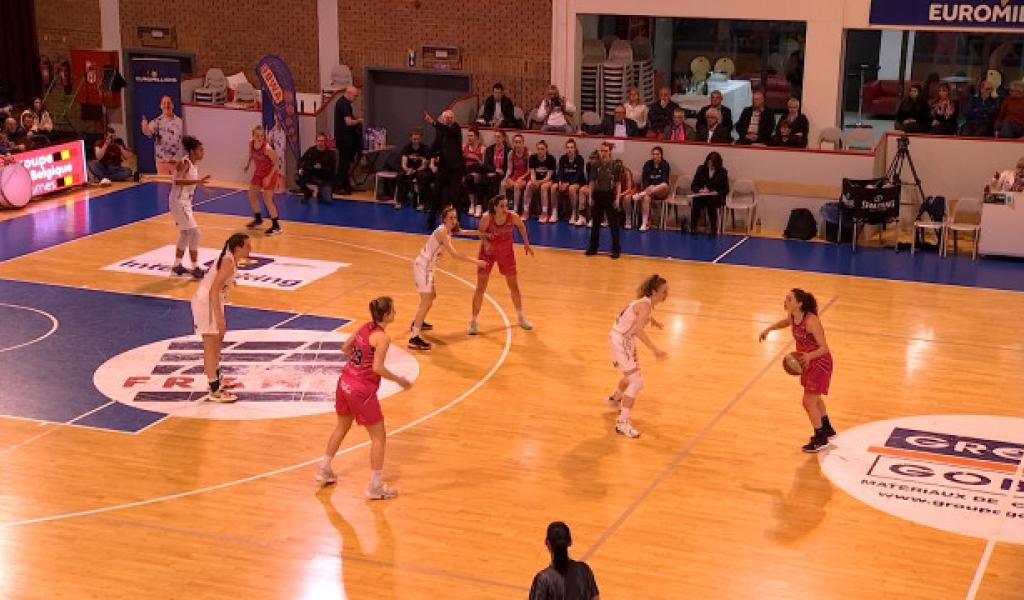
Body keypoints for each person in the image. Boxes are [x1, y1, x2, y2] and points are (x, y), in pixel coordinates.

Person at [316, 296, 413, 500]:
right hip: (361, 390)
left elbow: (345, 348)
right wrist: (399, 380)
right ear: (386, 315)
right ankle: (375, 487)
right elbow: (377, 367)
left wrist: (358, 364)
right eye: (393, 310)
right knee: (379, 437)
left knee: (341, 426)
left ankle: (324, 469)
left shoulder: (364, 327)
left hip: (344, 382)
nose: (395, 313)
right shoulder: (382, 338)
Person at [758, 288, 836, 453]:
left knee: (808, 402)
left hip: (820, 362)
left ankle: (820, 438)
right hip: (807, 362)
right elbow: (786, 322)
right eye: (786, 298)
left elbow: (824, 348)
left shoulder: (811, 321)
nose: (785, 301)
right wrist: (769, 329)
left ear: (799, 304)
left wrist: (808, 356)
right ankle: (827, 428)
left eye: (789, 299)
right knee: (814, 398)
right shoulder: (794, 316)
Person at [408, 206, 487, 350]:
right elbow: (455, 255)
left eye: (455, 217)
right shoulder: (442, 231)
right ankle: (414, 337)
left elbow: (463, 232)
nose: (453, 220)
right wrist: (477, 262)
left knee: (431, 296)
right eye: (450, 218)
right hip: (423, 267)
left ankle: (418, 322)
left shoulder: (448, 230)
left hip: (428, 267)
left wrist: (481, 233)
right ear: (444, 219)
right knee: (426, 301)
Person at [191, 233, 251, 403]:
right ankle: (214, 389)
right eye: (247, 245)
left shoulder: (230, 259)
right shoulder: (228, 262)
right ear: (238, 247)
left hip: (212, 301)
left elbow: (218, 282)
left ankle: (216, 379)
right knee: (211, 345)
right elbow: (213, 290)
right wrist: (219, 318)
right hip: (207, 303)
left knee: (216, 342)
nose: (250, 249)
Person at [606, 274, 669, 438]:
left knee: (631, 376)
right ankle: (622, 423)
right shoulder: (645, 306)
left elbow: (640, 316)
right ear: (654, 292)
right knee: (637, 381)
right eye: (663, 291)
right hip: (620, 341)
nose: (666, 294)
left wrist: (653, 321)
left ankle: (615, 398)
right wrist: (655, 349)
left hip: (623, 340)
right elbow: (638, 330)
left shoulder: (645, 303)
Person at [469, 195, 534, 335]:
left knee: (514, 286)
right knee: (481, 287)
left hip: (506, 253)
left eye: (506, 205)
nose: (505, 209)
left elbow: (522, 227)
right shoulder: (487, 218)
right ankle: (473, 321)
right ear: (495, 207)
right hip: (488, 253)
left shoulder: (513, 216)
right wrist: (486, 243)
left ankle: (521, 317)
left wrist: (526, 243)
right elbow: (480, 232)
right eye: (502, 206)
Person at [169, 135, 211, 278]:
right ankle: (195, 267)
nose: (203, 152)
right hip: (179, 202)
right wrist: (197, 181)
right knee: (195, 233)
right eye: (200, 150)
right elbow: (177, 180)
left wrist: (201, 185)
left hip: (183, 202)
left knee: (186, 233)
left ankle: (177, 265)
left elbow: (190, 181)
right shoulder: (185, 163)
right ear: (192, 151)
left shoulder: (193, 164)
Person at [528, 522, 600, 600]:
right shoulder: (584, 570)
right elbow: (595, 598)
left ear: (547, 543)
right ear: (570, 541)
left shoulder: (543, 580)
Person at [424, 109, 464, 227]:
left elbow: (448, 130)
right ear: (443, 119)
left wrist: (433, 122)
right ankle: (430, 221)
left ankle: (457, 223)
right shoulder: (440, 130)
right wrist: (427, 157)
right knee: (436, 194)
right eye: (446, 118)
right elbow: (436, 144)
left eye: (451, 117)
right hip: (443, 167)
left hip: (456, 168)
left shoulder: (455, 128)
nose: (449, 119)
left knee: (454, 196)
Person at [585, 143, 622, 259]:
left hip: (610, 194)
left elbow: (618, 183)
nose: (603, 153)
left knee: (613, 223)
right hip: (598, 194)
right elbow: (592, 181)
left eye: (605, 151)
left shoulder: (615, 165)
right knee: (595, 223)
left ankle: (616, 250)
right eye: (602, 151)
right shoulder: (595, 165)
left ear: (610, 151)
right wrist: (590, 196)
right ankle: (593, 248)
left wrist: (617, 198)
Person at [243, 126, 282, 235]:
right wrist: (247, 164)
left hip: (270, 174)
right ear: (253, 136)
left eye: (262, 136)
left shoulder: (267, 149)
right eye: (257, 136)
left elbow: (276, 163)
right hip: (259, 173)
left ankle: (276, 226)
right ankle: (258, 219)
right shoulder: (251, 143)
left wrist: (268, 177)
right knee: (252, 195)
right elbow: (251, 153)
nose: (260, 138)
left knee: (267, 199)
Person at [628, 146, 671, 232]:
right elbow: (645, 179)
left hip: (661, 191)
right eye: (653, 154)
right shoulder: (647, 164)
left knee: (664, 185)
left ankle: (641, 194)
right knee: (646, 198)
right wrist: (649, 187)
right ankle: (644, 223)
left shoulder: (665, 165)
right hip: (649, 190)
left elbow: (664, 180)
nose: (655, 156)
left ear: (661, 155)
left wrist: (653, 186)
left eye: (657, 154)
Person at [141, 95, 184, 176]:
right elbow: (147, 132)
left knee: (177, 183)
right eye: (164, 103)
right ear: (161, 106)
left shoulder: (180, 122)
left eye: (169, 103)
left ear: (173, 105)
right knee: (163, 183)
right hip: (162, 162)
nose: (167, 105)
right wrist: (144, 124)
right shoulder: (157, 121)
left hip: (177, 162)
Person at [690, 151, 729, 237]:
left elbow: (726, 189)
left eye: (712, 164)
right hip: (702, 195)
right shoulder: (701, 169)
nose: (710, 166)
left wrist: (716, 192)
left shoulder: (723, 172)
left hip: (716, 197)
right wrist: (700, 190)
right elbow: (693, 185)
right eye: (709, 163)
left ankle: (713, 228)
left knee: (712, 202)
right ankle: (693, 226)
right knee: (696, 201)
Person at [333, 86, 363, 195]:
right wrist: (359, 121)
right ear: (349, 93)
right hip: (344, 139)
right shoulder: (344, 104)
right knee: (343, 164)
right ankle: (339, 186)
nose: (355, 98)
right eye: (355, 96)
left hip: (345, 138)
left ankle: (345, 185)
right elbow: (348, 122)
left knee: (345, 164)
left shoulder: (343, 103)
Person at [397, 128, 433, 210]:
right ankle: (400, 200)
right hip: (409, 169)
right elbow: (403, 163)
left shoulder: (425, 148)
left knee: (422, 176)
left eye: (418, 139)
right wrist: (407, 170)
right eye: (414, 139)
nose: (416, 141)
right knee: (400, 175)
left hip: (420, 170)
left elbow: (425, 165)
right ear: (410, 138)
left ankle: (422, 203)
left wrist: (416, 170)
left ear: (421, 139)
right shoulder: (406, 148)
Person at [296, 132, 336, 204]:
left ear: (325, 142)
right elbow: (301, 160)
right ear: (316, 141)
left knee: (327, 200)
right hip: (312, 175)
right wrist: (300, 168)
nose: (320, 143)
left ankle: (321, 192)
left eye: (322, 141)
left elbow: (332, 170)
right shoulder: (311, 150)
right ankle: (308, 192)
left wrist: (321, 168)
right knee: (297, 178)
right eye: (318, 141)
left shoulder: (330, 154)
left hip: (325, 179)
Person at [556, 139, 587, 226]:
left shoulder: (580, 159)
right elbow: (560, 172)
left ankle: (574, 212)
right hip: (565, 182)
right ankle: (554, 212)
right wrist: (560, 181)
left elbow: (578, 174)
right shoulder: (562, 158)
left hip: (578, 182)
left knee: (571, 189)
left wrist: (568, 183)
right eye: (568, 147)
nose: (569, 149)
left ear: (575, 149)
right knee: (554, 187)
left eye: (571, 147)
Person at [526, 140, 556, 222]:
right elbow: (532, 173)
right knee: (529, 185)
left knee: (543, 187)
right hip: (536, 179)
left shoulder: (551, 159)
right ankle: (526, 210)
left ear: (546, 149)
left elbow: (549, 176)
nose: (540, 151)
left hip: (548, 180)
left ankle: (544, 212)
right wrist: (533, 181)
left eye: (542, 149)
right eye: (538, 149)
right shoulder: (532, 158)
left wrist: (539, 183)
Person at [502, 133, 531, 219]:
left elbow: (529, 171)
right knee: (502, 184)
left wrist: (521, 178)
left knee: (517, 186)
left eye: (519, 142)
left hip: (525, 177)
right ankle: (503, 207)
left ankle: (515, 209)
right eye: (516, 142)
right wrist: (506, 177)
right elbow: (509, 169)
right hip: (515, 176)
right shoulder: (511, 153)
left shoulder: (528, 153)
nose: (517, 144)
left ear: (523, 143)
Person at [461, 126, 487, 217]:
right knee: (469, 178)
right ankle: (472, 204)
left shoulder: (482, 148)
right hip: (467, 171)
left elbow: (484, 165)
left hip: (478, 171)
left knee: (479, 179)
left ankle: (479, 205)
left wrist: (476, 158)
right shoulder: (464, 147)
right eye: (468, 136)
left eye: (471, 136)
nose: (469, 138)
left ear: (476, 137)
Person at [482, 129, 510, 204]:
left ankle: (494, 203)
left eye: (499, 137)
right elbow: (486, 164)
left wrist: (499, 171)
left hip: (503, 173)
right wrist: (495, 170)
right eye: (495, 136)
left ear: (503, 138)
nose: (497, 139)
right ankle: (482, 205)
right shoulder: (489, 149)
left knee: (494, 180)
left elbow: (509, 165)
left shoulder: (508, 150)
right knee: (483, 179)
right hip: (492, 172)